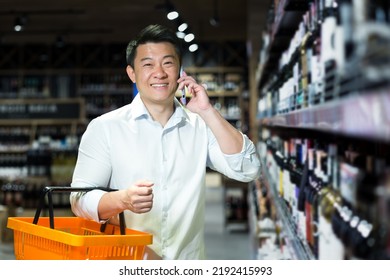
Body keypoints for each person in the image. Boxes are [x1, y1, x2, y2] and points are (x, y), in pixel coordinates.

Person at [70, 24, 260, 260]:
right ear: (132, 73)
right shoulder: (104, 128)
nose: (159, 73)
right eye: (148, 64)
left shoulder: (200, 125)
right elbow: (79, 199)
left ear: (180, 70)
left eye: (168, 63)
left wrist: (208, 111)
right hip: (127, 261)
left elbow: (248, 169)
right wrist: (122, 199)